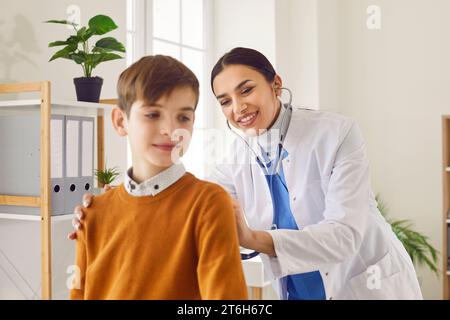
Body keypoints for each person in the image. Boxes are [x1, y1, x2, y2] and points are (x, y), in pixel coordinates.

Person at [70, 47, 423, 300]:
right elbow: (179, 205)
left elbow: (344, 236)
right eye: (224, 100)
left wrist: (253, 238)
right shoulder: (233, 160)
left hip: (363, 284)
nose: (238, 108)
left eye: (246, 89)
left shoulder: (337, 134)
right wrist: (108, 210)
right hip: (297, 288)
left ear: (275, 83)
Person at [69, 55, 248, 300]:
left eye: (183, 117)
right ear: (121, 121)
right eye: (153, 114)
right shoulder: (93, 211)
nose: (170, 130)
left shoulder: (209, 203)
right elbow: (78, 292)